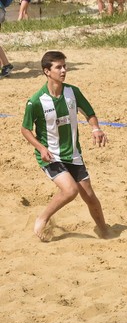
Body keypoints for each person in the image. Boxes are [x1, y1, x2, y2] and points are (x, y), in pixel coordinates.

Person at [21, 51, 111, 241]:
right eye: (58, 67)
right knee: (70, 190)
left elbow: (90, 113)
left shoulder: (73, 92)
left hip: (73, 154)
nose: (64, 70)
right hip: (51, 155)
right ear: (47, 71)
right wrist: (40, 148)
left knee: (90, 197)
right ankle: (42, 218)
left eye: (64, 66)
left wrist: (95, 128)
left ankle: (105, 232)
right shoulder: (36, 101)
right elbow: (26, 130)